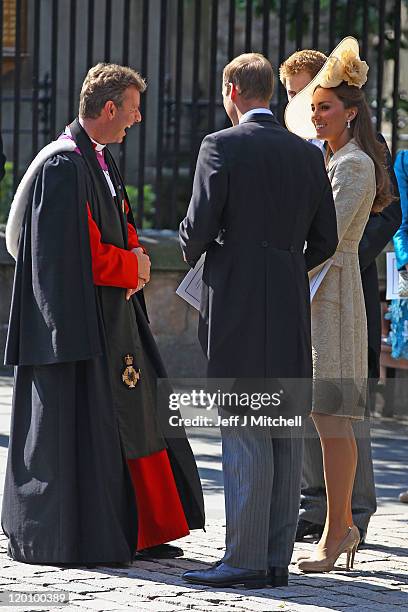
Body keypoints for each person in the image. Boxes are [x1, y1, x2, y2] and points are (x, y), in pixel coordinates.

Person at [3, 63, 204, 564]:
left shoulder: (101, 160)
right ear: (109, 108)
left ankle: (142, 527)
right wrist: (129, 265)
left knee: (138, 419)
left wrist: (136, 261)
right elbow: (73, 254)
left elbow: (120, 224)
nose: (136, 121)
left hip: (114, 318)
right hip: (80, 330)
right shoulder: (62, 165)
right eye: (133, 111)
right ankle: (87, 533)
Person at [179, 53, 338, 589]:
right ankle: (273, 561)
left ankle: (243, 560)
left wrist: (213, 248)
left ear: (231, 90)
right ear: (271, 93)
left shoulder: (220, 145)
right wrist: (283, 264)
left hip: (239, 303)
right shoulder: (307, 154)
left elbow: (196, 229)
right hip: (289, 300)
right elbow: (327, 241)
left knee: (245, 430)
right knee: (283, 431)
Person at [280, 45, 401, 546]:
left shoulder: (356, 162)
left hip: (334, 288)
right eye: (306, 103)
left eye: (321, 103)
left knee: (340, 410)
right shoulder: (319, 154)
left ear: (350, 109)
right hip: (315, 283)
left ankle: (348, 517)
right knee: (318, 408)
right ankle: (325, 515)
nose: (311, 112)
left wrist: (281, 262)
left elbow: (331, 234)